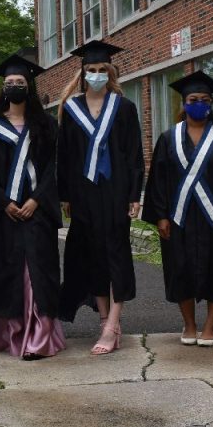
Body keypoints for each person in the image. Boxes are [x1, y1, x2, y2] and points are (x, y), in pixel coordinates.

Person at [0, 53, 65, 360]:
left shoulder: (46, 126)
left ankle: (38, 339)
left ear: (29, 86)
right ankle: (4, 336)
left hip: (36, 211)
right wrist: (4, 201)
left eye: (20, 82)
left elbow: (54, 167)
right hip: (1, 214)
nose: (14, 86)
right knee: (3, 272)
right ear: (2, 87)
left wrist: (36, 200)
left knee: (35, 271)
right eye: (9, 83)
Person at [142, 71, 213, 347]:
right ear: (183, 103)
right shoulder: (168, 138)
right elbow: (159, 181)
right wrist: (160, 215)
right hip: (179, 218)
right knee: (180, 269)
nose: (198, 103)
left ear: (211, 103)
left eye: (204, 99)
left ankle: (211, 326)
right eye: (192, 99)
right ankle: (189, 324)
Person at [57, 40, 144, 355]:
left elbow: (134, 153)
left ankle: (113, 324)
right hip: (83, 192)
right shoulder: (71, 109)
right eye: (91, 70)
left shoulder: (123, 107)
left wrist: (135, 193)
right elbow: (64, 155)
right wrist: (65, 194)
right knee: (92, 255)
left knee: (116, 255)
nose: (96, 75)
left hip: (115, 189)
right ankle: (104, 319)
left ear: (110, 72)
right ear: (82, 73)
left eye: (101, 70)